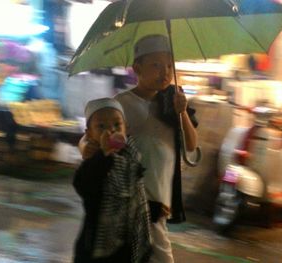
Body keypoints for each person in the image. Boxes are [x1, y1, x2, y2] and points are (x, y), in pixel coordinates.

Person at [79, 34, 198, 263]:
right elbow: (89, 137)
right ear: (137, 68)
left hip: (159, 201)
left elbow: (192, 144)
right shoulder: (121, 104)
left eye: (169, 65)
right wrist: (86, 148)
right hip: (132, 202)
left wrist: (182, 112)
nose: (164, 72)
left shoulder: (173, 101)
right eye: (156, 65)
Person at [73, 98, 152, 263]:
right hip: (97, 251)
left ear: (126, 129)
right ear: (89, 134)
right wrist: (103, 154)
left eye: (117, 125)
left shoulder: (132, 157)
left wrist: (155, 209)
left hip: (128, 246)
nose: (110, 130)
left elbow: (134, 197)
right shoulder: (94, 160)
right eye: (101, 126)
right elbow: (82, 184)